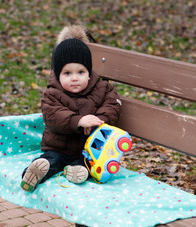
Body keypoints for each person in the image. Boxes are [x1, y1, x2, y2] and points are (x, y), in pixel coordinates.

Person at [21, 25, 121, 192]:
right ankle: (35, 172)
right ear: (58, 75)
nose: (75, 78)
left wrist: (99, 121)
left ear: (89, 72)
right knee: (52, 160)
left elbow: (113, 106)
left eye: (81, 72)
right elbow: (53, 116)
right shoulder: (52, 93)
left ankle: (78, 171)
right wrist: (79, 121)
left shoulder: (103, 88)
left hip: (89, 149)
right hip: (59, 147)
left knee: (90, 163)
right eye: (67, 73)